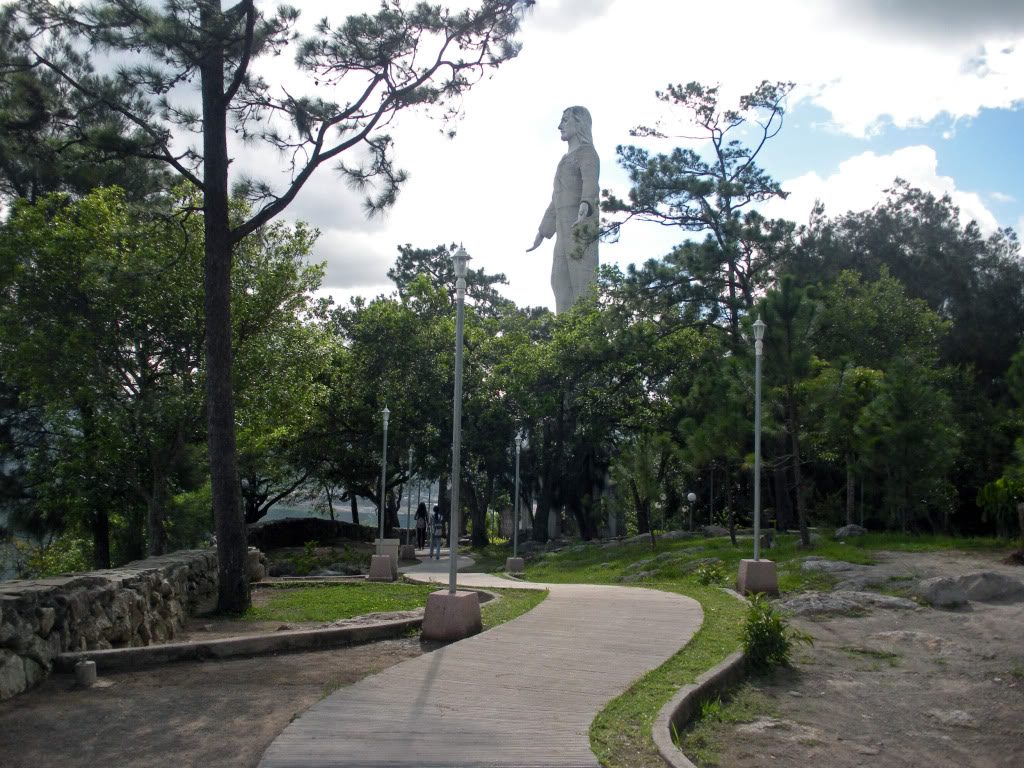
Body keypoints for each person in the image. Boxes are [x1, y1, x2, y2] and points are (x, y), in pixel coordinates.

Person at [527, 105, 600, 313]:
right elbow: (556, 198)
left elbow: (591, 184)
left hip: (580, 228)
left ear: (579, 124)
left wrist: (585, 205)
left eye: (565, 120)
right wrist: (543, 230)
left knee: (583, 284)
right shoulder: (564, 159)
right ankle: (565, 336)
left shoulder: (588, 154)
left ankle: (587, 335)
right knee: (559, 280)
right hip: (562, 231)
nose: (560, 126)